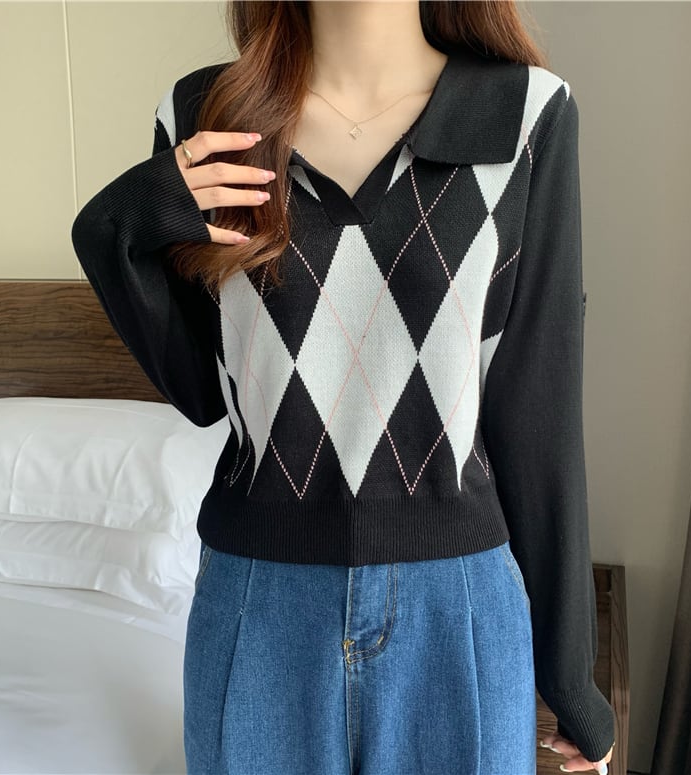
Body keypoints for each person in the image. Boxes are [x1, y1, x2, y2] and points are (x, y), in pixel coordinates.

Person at [71, 1, 616, 773]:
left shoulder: (526, 115)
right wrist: (116, 226)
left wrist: (570, 674)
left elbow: (539, 411)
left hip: (457, 612)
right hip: (258, 608)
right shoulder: (205, 118)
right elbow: (199, 389)